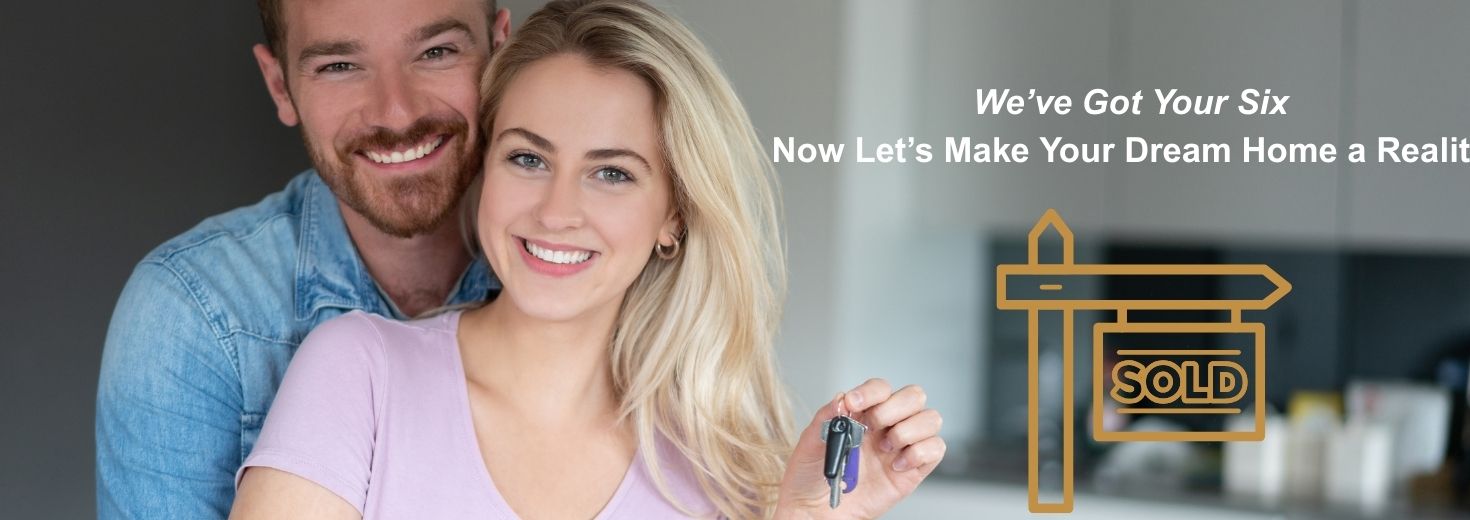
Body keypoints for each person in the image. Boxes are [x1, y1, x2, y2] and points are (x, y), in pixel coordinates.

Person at [230, 0, 946, 518]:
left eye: (612, 172)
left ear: (674, 214)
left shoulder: (722, 471)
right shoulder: (358, 371)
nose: (556, 210)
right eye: (529, 158)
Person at [95, 0, 512, 516]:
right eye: (339, 66)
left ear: (500, 51)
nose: (397, 112)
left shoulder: (599, 273)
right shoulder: (192, 315)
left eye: (436, 52)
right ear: (279, 85)